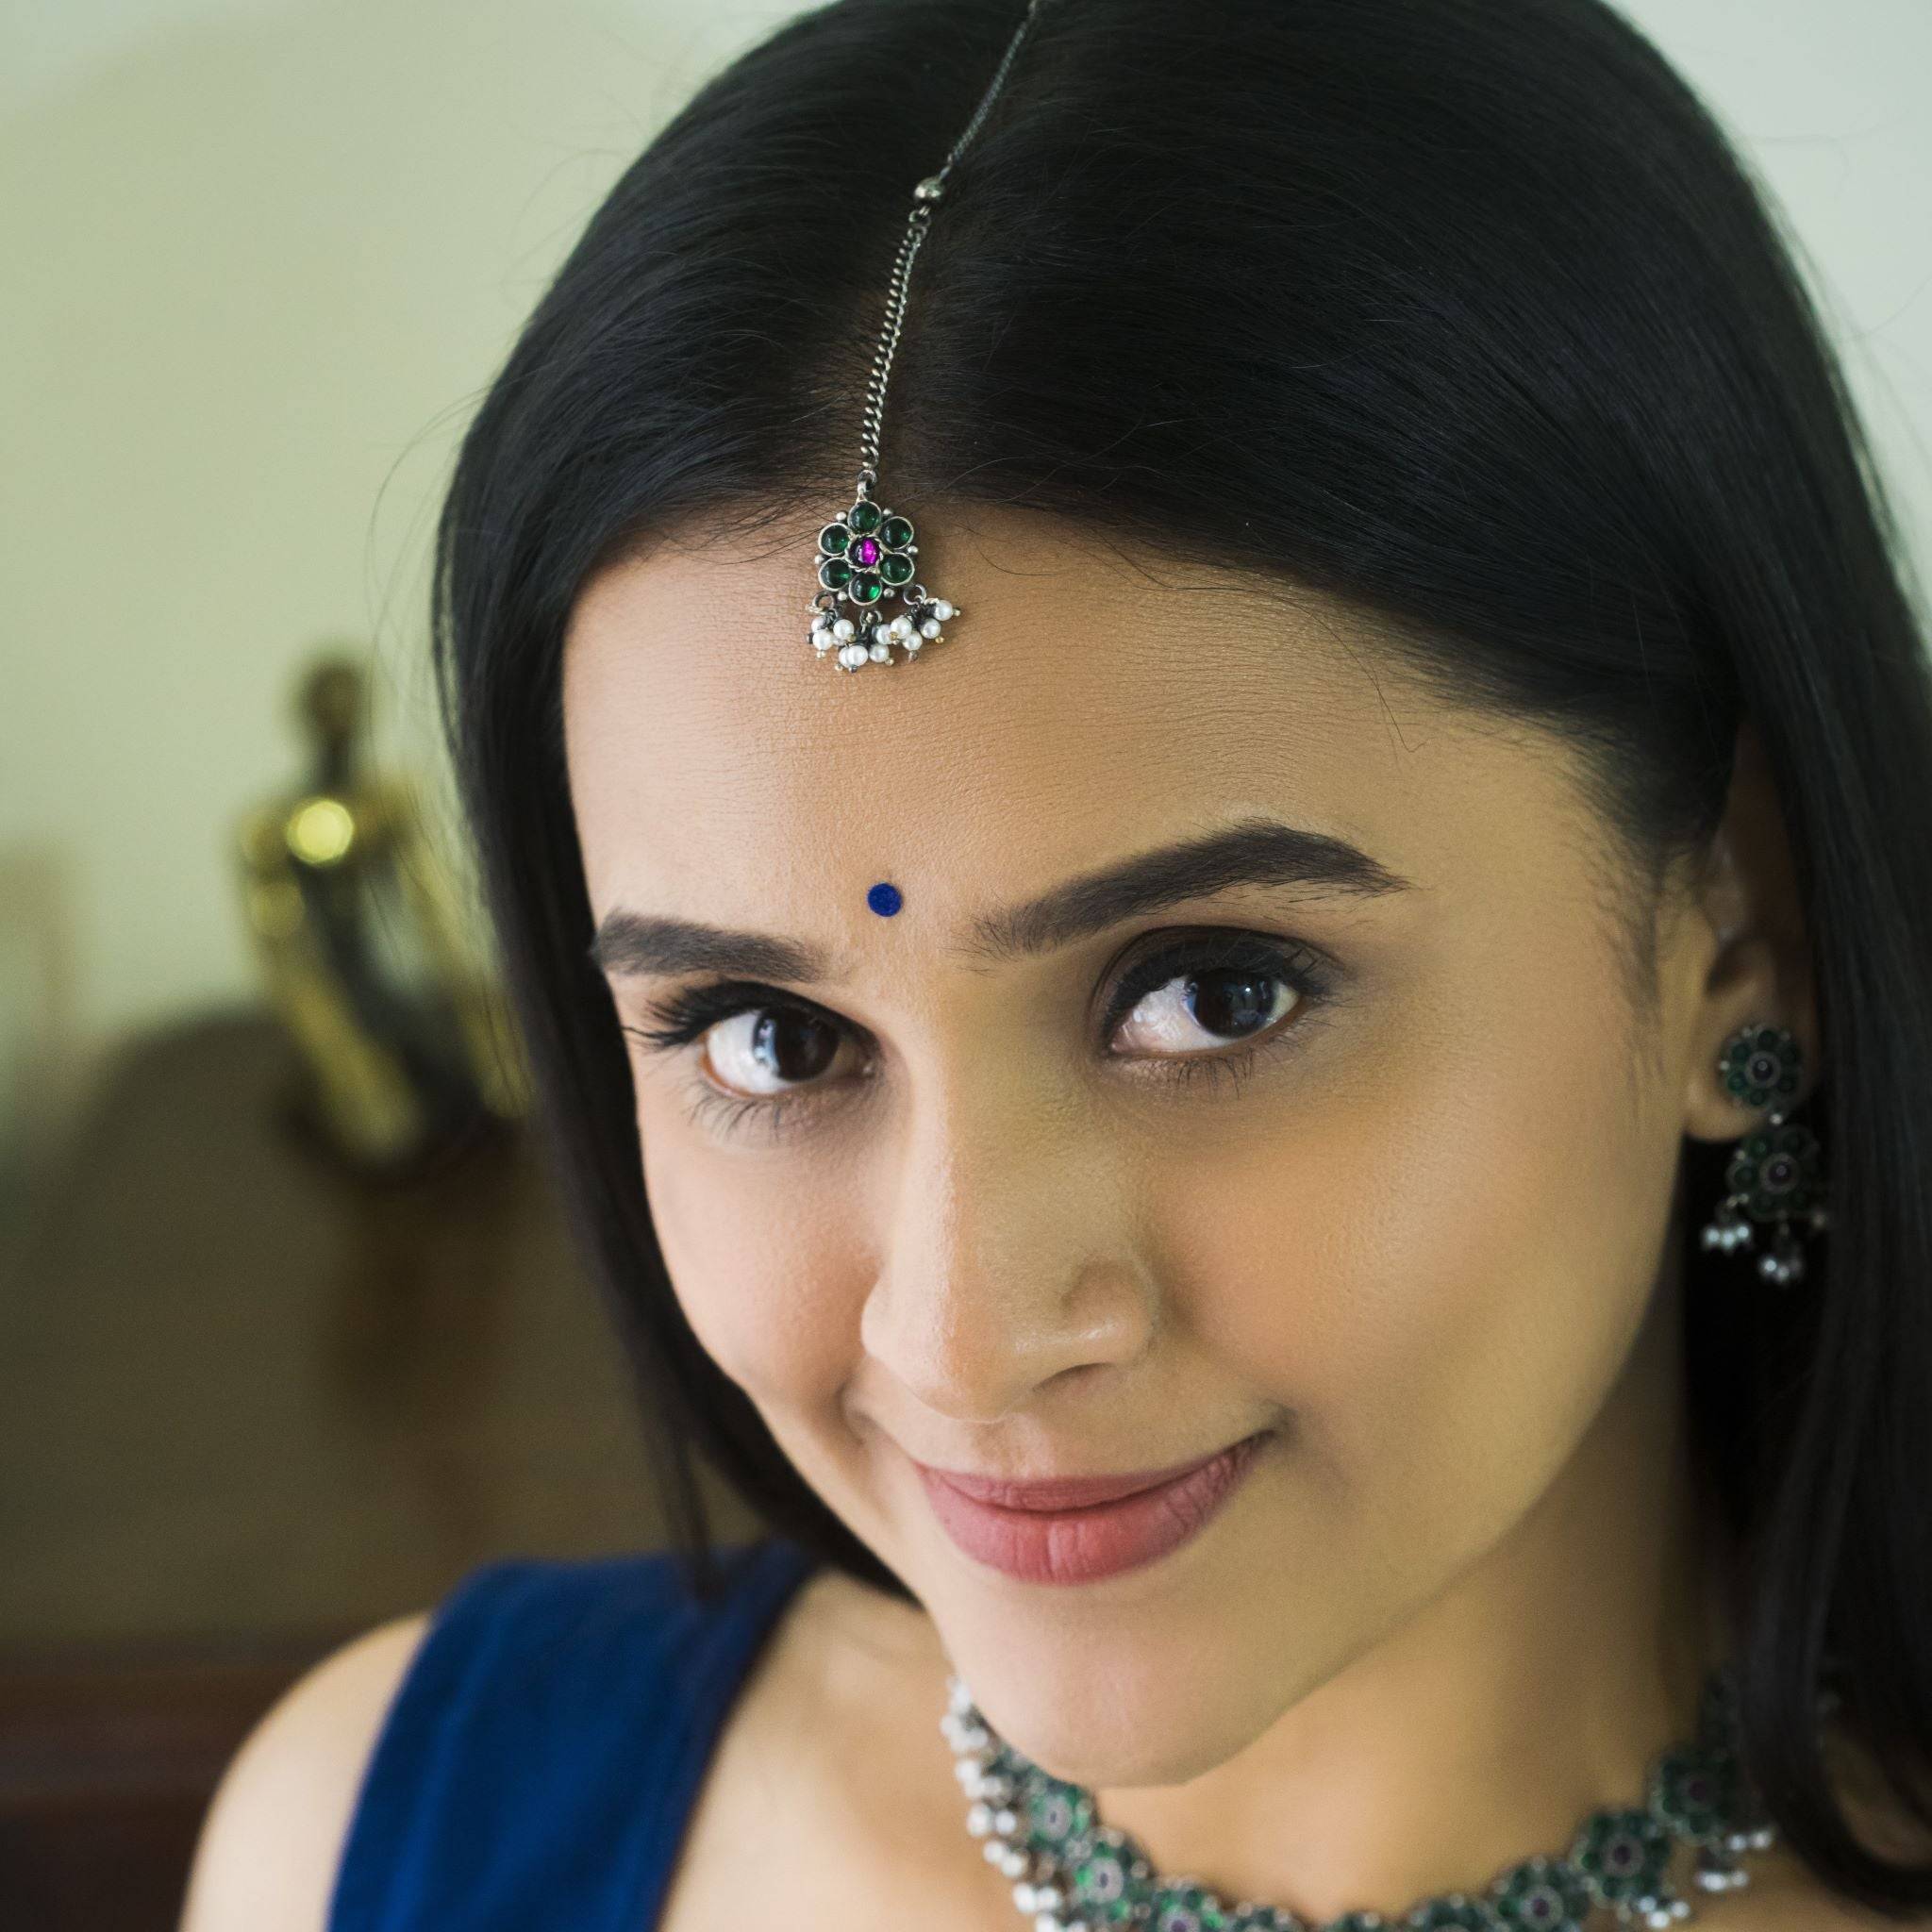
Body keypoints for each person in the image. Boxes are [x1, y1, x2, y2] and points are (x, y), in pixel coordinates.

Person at [181, 1, 1932, 1927]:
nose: (961, 1330)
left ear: (1737, 935)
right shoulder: (368, 1848)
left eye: (1212, 994)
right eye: (768, 1035)